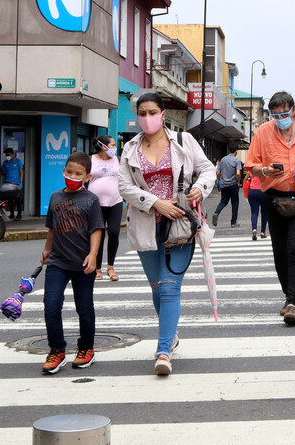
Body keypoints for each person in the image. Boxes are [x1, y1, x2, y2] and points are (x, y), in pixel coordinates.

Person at [118, 92, 216, 375]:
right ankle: (170, 332)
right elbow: (124, 186)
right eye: (142, 113)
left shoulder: (183, 141)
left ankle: (163, 351)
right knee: (157, 288)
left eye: (152, 112)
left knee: (170, 286)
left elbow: (207, 169)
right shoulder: (130, 149)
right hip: (146, 224)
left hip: (180, 225)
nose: (147, 118)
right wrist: (154, 202)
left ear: (162, 114)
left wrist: (200, 187)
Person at [244, 91, 295, 327]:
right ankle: (287, 294)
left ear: (294, 109)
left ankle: (293, 301)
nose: (281, 119)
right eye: (276, 115)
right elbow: (251, 164)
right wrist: (265, 171)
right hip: (273, 197)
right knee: (279, 250)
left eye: (285, 113)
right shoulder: (263, 132)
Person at [40, 151, 105, 374]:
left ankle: (86, 348)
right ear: (63, 170)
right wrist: (48, 248)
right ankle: (57, 350)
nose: (72, 176)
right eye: (69, 172)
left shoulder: (91, 200)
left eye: (78, 174)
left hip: (83, 262)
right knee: (51, 304)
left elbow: (96, 229)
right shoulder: (55, 197)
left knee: (84, 307)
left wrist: (94, 255)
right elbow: (52, 226)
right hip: (58, 260)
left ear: (87, 177)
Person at [89, 135, 124, 281]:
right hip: (95, 202)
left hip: (116, 200)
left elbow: (126, 178)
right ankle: (97, 269)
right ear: (103, 146)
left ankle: (111, 267)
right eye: (112, 145)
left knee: (114, 232)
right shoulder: (91, 159)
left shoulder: (118, 160)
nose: (114, 148)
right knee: (99, 234)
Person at [210, 145, 243, 228]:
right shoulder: (236, 161)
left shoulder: (223, 160)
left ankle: (216, 212)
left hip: (224, 184)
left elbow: (218, 172)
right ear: (236, 151)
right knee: (235, 203)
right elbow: (238, 173)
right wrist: (238, 182)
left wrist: (220, 180)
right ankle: (233, 222)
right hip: (233, 185)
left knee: (223, 201)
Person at [243, 169, 268, 241]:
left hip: (252, 191)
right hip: (263, 191)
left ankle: (254, 229)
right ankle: (263, 232)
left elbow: (245, 178)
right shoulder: (265, 169)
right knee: (264, 212)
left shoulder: (253, 169)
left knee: (254, 212)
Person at [1, 147, 23, 220]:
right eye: (7, 155)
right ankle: (12, 214)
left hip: (16, 183)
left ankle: (19, 214)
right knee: (10, 200)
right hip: (8, 183)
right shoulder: (5, 163)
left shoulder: (18, 161)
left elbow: (21, 172)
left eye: (9, 155)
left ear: (13, 154)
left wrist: (21, 182)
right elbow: (3, 173)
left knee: (17, 199)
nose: (8, 156)